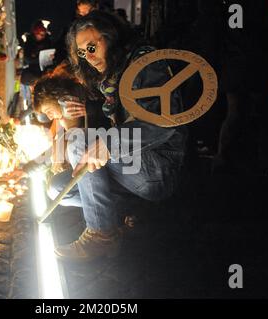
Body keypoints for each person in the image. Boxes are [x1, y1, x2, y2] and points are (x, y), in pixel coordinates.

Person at [52, 11, 187, 262]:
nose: (88, 57)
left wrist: (106, 144)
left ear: (111, 37)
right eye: (82, 52)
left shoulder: (145, 65)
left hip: (157, 167)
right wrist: (82, 112)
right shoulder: (112, 75)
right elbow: (114, 118)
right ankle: (135, 212)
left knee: (80, 142)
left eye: (92, 47)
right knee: (59, 189)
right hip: (131, 165)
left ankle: (102, 235)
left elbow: (162, 123)